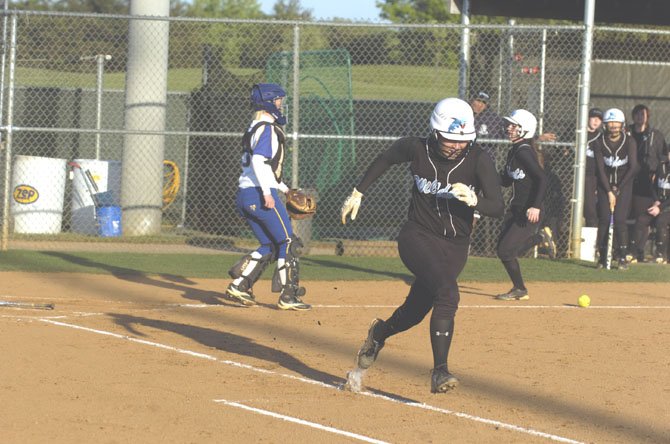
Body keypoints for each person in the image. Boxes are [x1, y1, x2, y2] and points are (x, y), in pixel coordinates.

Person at [340, 98, 504, 393]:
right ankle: (439, 371)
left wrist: (477, 200)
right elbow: (386, 158)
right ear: (435, 132)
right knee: (448, 292)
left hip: (455, 245)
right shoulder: (416, 148)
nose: (456, 146)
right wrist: (358, 191)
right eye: (450, 140)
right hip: (417, 235)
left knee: (416, 310)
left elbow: (498, 206)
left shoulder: (478, 159)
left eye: (462, 140)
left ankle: (380, 332)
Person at [225, 83, 311, 311]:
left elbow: (263, 169)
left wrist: (285, 190)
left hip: (245, 194)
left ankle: (241, 284)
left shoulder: (254, 127)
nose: (280, 104)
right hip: (258, 192)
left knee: (271, 244)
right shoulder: (268, 129)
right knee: (288, 241)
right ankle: (288, 295)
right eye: (277, 100)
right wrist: (267, 193)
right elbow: (260, 163)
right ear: (267, 103)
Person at [495, 109, 556, 301]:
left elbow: (542, 179)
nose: (509, 128)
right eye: (510, 125)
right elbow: (505, 180)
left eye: (514, 126)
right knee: (502, 249)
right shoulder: (514, 150)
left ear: (525, 130)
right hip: (517, 209)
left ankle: (520, 289)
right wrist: (483, 176)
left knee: (506, 251)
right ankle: (539, 239)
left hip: (530, 210)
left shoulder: (524, 152)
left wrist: (536, 206)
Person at [593, 108, 639, 270]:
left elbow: (633, 167)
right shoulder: (599, 142)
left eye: (616, 122)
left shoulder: (629, 141)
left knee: (619, 220)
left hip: (624, 185)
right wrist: (608, 191)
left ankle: (622, 257)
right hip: (605, 185)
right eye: (610, 122)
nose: (613, 125)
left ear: (622, 124)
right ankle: (603, 255)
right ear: (605, 125)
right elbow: (600, 169)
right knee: (605, 220)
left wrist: (618, 189)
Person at [627, 104, 668, 261]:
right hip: (628, 178)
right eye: (637, 114)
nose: (640, 117)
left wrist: (657, 175)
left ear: (648, 116)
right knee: (624, 215)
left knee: (641, 216)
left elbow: (663, 157)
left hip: (647, 182)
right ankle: (622, 250)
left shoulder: (655, 135)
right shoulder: (627, 132)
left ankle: (638, 252)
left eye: (643, 114)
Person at [632, 152, 670, 264]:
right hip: (658, 205)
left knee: (661, 221)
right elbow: (653, 187)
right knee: (641, 220)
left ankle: (661, 255)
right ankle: (635, 253)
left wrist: (660, 207)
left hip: (666, 207)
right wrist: (656, 201)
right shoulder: (661, 166)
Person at [584, 108, 604, 227]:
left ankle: (591, 242)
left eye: (599, 119)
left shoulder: (600, 137)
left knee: (590, 209)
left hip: (590, 177)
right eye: (593, 117)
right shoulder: (577, 132)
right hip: (572, 174)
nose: (596, 121)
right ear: (587, 118)